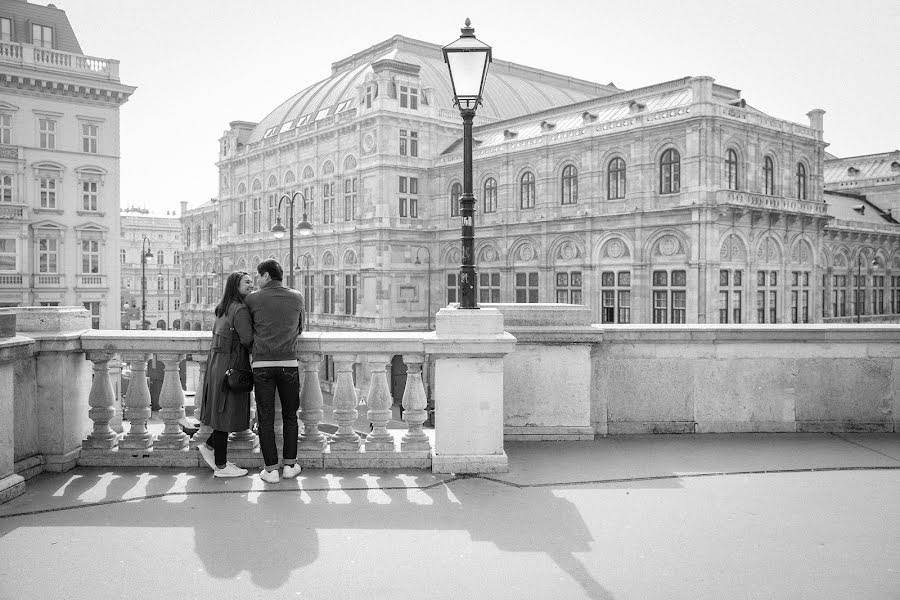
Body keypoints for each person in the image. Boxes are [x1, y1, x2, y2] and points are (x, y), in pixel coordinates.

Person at [244, 259, 305, 483]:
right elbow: (300, 328)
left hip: (261, 365)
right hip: (288, 363)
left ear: (267, 276)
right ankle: (289, 465)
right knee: (291, 416)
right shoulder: (297, 296)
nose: (257, 281)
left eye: (258, 277)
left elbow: (247, 330)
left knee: (266, 418)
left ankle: (271, 470)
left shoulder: (252, 299)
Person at [197, 271, 255, 478]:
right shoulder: (239, 310)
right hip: (231, 365)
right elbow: (248, 339)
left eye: (252, 281)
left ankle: (210, 447)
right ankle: (221, 466)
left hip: (217, 365)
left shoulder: (223, 308)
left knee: (221, 410)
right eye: (247, 282)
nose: (251, 284)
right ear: (235, 286)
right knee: (225, 411)